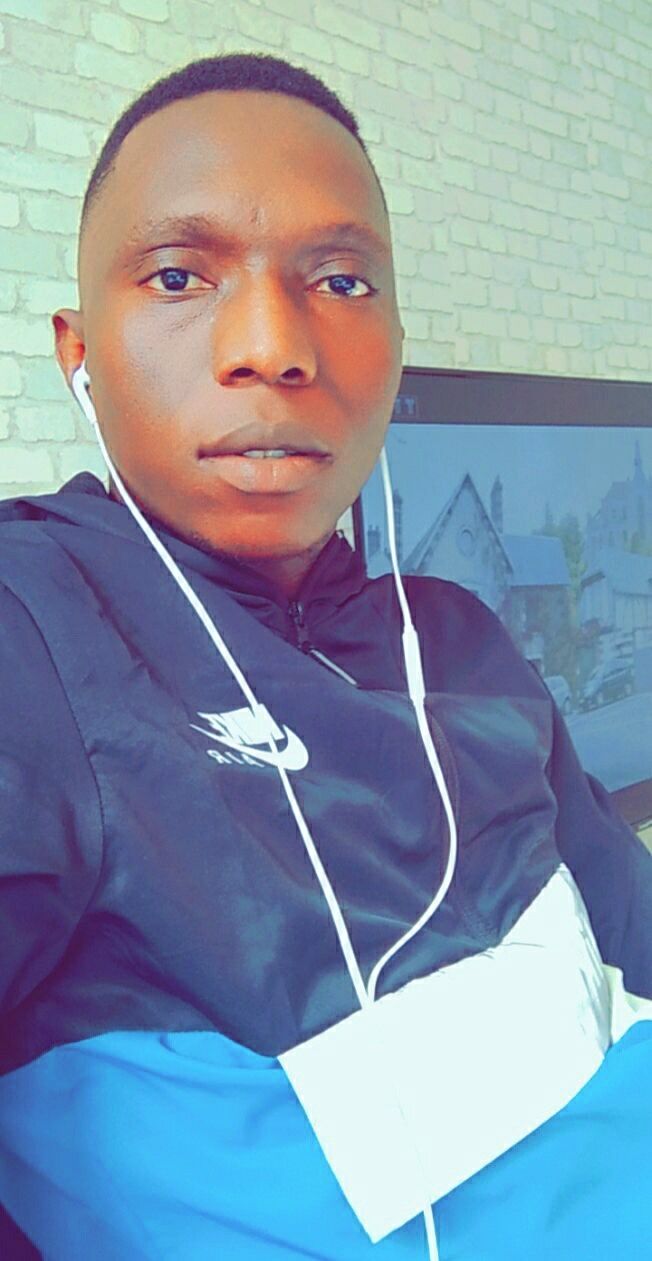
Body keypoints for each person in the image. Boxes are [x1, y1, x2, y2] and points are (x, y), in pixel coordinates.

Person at [0, 52, 650, 1261]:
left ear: (395, 340)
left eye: (341, 280)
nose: (272, 346)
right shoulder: (34, 622)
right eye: (179, 274)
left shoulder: (460, 638)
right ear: (77, 351)